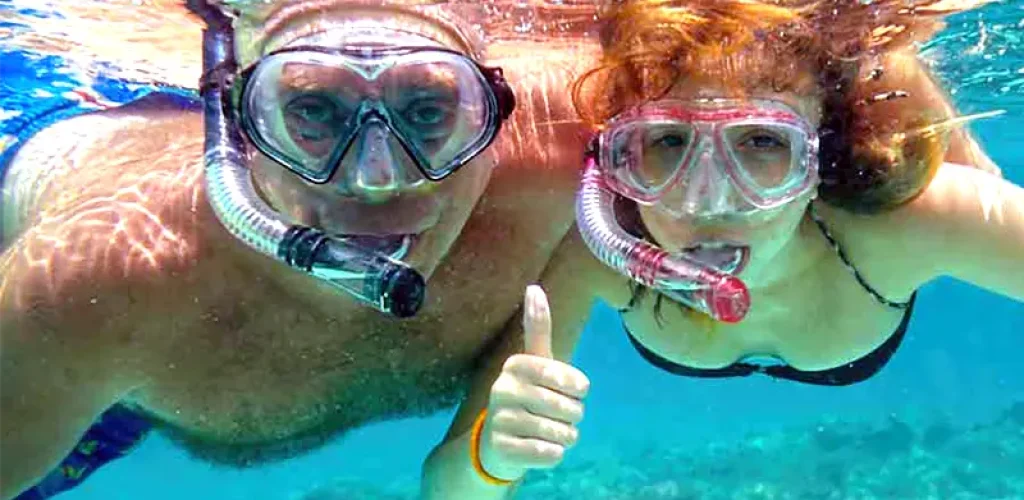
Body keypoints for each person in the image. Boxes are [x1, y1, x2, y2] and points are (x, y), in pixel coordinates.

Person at [0, 1, 599, 498]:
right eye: (314, 110)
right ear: (238, 128)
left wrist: (492, 453)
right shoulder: (100, 280)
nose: (375, 178)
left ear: (492, 118)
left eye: (427, 111)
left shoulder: (564, 168)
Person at [424, 0, 1022, 497]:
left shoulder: (911, 218)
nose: (705, 201)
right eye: (667, 141)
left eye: (762, 142)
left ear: (820, 158)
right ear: (616, 162)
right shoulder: (595, 248)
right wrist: (493, 455)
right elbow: (444, 488)